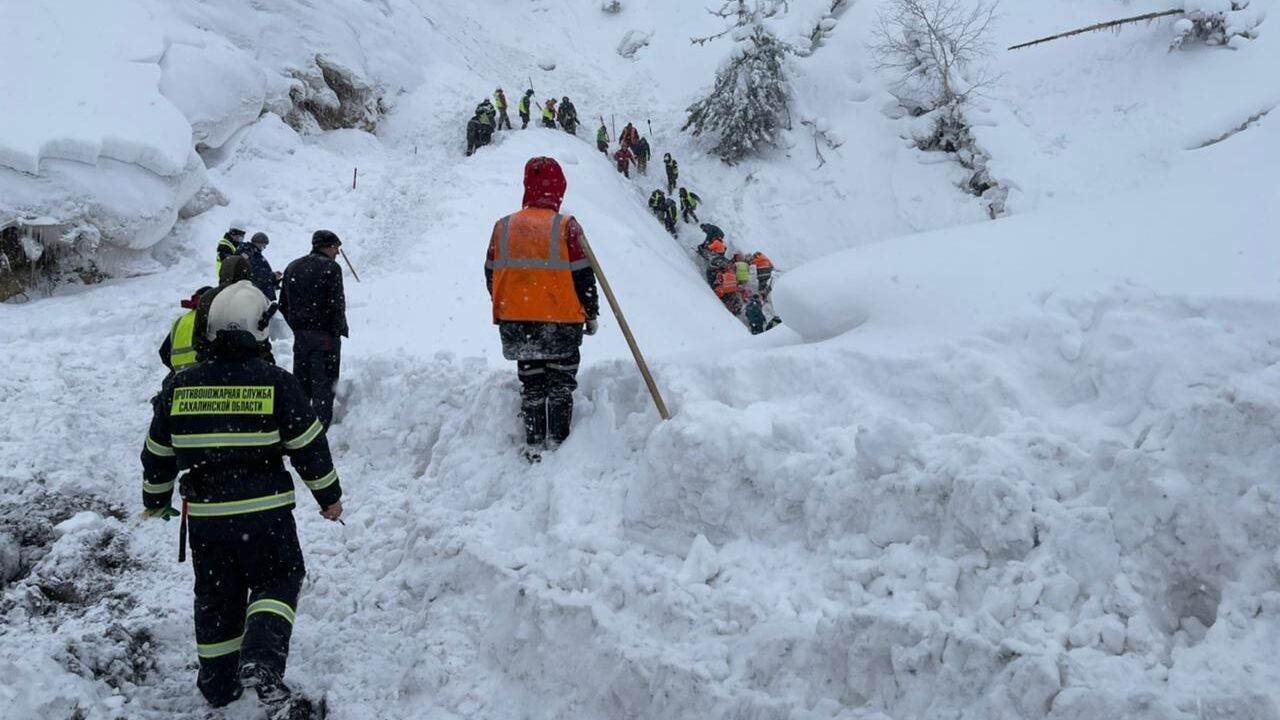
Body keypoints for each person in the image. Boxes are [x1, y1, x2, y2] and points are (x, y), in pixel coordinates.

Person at [140, 280, 343, 717]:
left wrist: (155, 498)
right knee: (279, 577)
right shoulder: (276, 384)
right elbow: (309, 446)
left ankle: (217, 683)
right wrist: (329, 497)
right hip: (265, 512)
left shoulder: (179, 386)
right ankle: (262, 661)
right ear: (258, 330)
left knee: (217, 594)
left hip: (209, 518)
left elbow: (158, 453)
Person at [485, 157, 599, 461]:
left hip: (518, 324)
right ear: (559, 188)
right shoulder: (566, 227)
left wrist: (510, 305)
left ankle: (535, 444)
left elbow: (490, 274)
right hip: (561, 324)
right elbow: (583, 276)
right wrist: (591, 312)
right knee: (560, 384)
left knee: (532, 381)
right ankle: (558, 446)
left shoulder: (503, 226)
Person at [280, 231, 349, 428]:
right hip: (325, 337)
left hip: (301, 337)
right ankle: (320, 431)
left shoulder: (292, 267)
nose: (337, 252)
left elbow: (283, 305)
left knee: (301, 385)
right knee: (324, 387)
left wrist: (298, 326)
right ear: (326, 246)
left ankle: (300, 427)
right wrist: (335, 331)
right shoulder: (330, 268)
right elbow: (337, 304)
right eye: (336, 247)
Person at [194, 255, 275, 366]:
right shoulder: (254, 296)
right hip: (251, 364)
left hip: (215, 362)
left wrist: (205, 358)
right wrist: (267, 363)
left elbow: (199, 335)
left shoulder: (208, 297)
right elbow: (262, 337)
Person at [158, 286, 212, 374]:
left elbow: (164, 352)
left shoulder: (180, 321)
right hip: (203, 374)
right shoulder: (209, 317)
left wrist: (178, 370)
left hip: (181, 377)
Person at [238, 232, 279, 301]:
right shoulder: (249, 252)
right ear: (258, 243)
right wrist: (272, 276)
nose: (264, 248)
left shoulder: (254, 253)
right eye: (264, 245)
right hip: (253, 293)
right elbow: (254, 273)